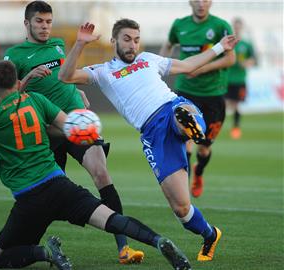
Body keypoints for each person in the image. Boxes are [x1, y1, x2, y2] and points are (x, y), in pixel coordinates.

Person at [0, 50, 192, 270]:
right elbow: (71, 127)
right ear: (17, 83)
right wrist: (85, 121)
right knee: (111, 219)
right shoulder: (37, 100)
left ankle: (46, 253)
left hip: (29, 199)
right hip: (60, 186)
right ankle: (158, 240)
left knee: (1, 257)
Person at [58, 20, 238, 261]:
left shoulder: (149, 59)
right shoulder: (103, 71)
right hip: (153, 134)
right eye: (127, 39)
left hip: (171, 107)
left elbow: (186, 66)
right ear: (114, 41)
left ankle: (192, 126)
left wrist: (219, 47)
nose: (133, 44)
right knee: (182, 209)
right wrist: (80, 43)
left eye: (136, 39)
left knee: (180, 112)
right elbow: (65, 75)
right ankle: (210, 234)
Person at [3, 1, 143, 263]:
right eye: (39, 22)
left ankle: (124, 248)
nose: (45, 27)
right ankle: (27, 248)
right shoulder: (15, 55)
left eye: (48, 22)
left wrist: (75, 90)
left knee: (101, 173)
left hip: (78, 122)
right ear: (27, 24)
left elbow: (64, 75)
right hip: (48, 132)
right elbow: (7, 98)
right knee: (48, 197)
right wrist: (30, 77)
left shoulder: (57, 43)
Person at [159, 0, 236, 198]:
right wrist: (157, 69)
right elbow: (168, 45)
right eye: (197, 0)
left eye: (206, 0)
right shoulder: (179, 25)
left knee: (204, 148)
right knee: (185, 142)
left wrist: (200, 68)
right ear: (190, 2)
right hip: (186, 92)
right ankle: (183, 194)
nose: (201, 4)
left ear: (211, 2)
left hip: (213, 95)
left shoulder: (221, 26)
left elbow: (230, 59)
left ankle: (199, 172)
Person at [226, 18, 256, 139]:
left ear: (241, 27)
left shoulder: (247, 44)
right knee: (224, 104)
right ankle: (216, 126)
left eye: (239, 26)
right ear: (233, 28)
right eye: (235, 26)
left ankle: (236, 128)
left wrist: (247, 63)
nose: (237, 29)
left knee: (237, 104)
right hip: (226, 79)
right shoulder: (227, 43)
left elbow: (253, 59)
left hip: (239, 79)